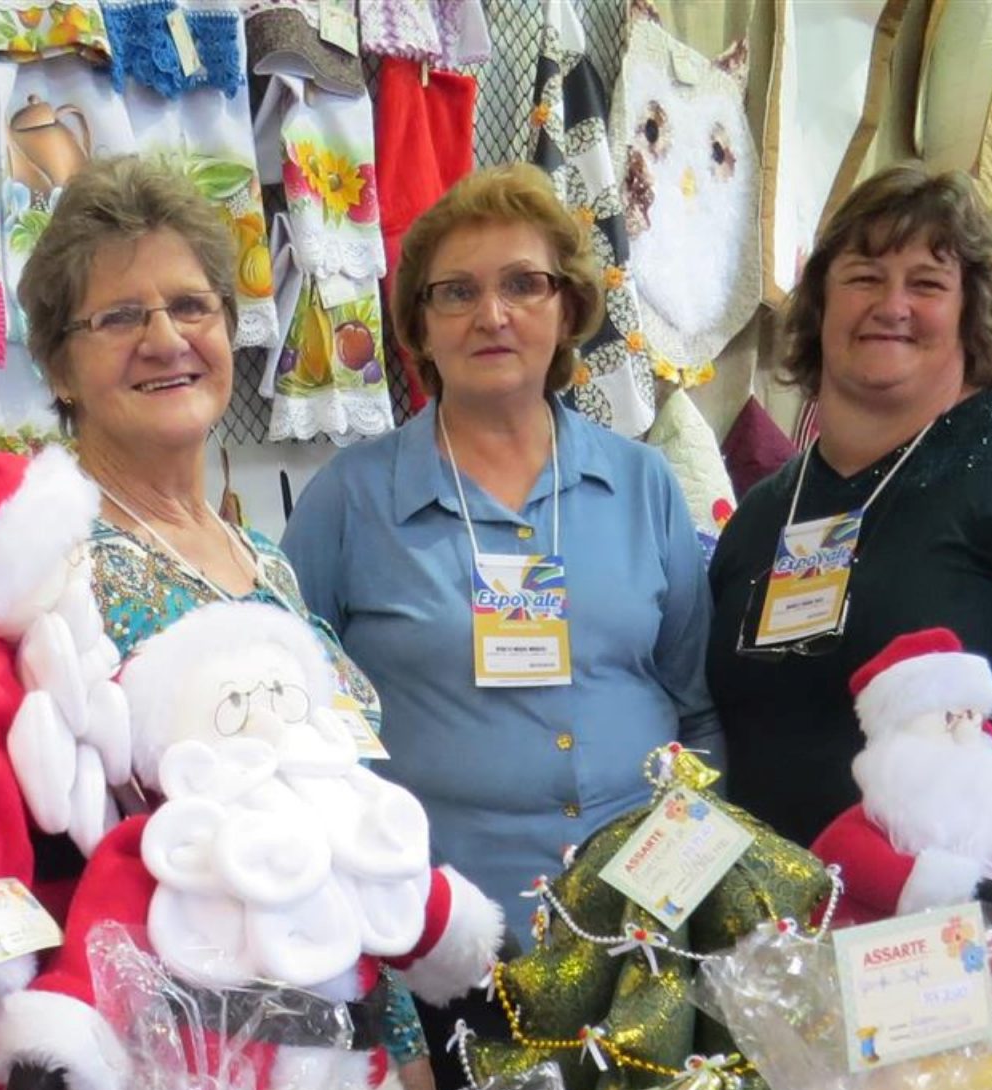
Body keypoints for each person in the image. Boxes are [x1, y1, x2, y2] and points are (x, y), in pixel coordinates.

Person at [13, 155, 436, 1090]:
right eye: (119, 316)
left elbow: (341, 837)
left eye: (191, 306)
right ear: (59, 368)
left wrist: (403, 1048)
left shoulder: (265, 567)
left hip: (332, 1084)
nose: (165, 338)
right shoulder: (44, 566)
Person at [279, 165, 722, 962]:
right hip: (440, 944)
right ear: (420, 325)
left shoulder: (643, 484)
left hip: (641, 938)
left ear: (568, 307)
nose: (492, 315)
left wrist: (683, 892)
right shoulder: (350, 500)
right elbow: (292, 726)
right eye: (457, 292)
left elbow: (696, 713)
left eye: (523, 284)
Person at [705, 164, 992, 851]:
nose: (892, 305)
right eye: (864, 277)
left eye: (927, 283)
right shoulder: (765, 513)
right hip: (772, 914)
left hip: (974, 912)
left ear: (970, 311)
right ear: (820, 302)